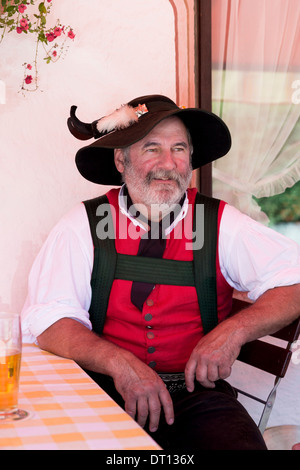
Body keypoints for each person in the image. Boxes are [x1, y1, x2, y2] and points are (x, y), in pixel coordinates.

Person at [21, 94, 300, 450]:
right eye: (152, 148)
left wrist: (234, 330)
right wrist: (119, 363)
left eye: (179, 148)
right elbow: (49, 318)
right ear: (121, 160)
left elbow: (293, 281)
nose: (168, 163)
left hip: (197, 398)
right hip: (103, 387)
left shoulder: (221, 223)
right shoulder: (82, 224)